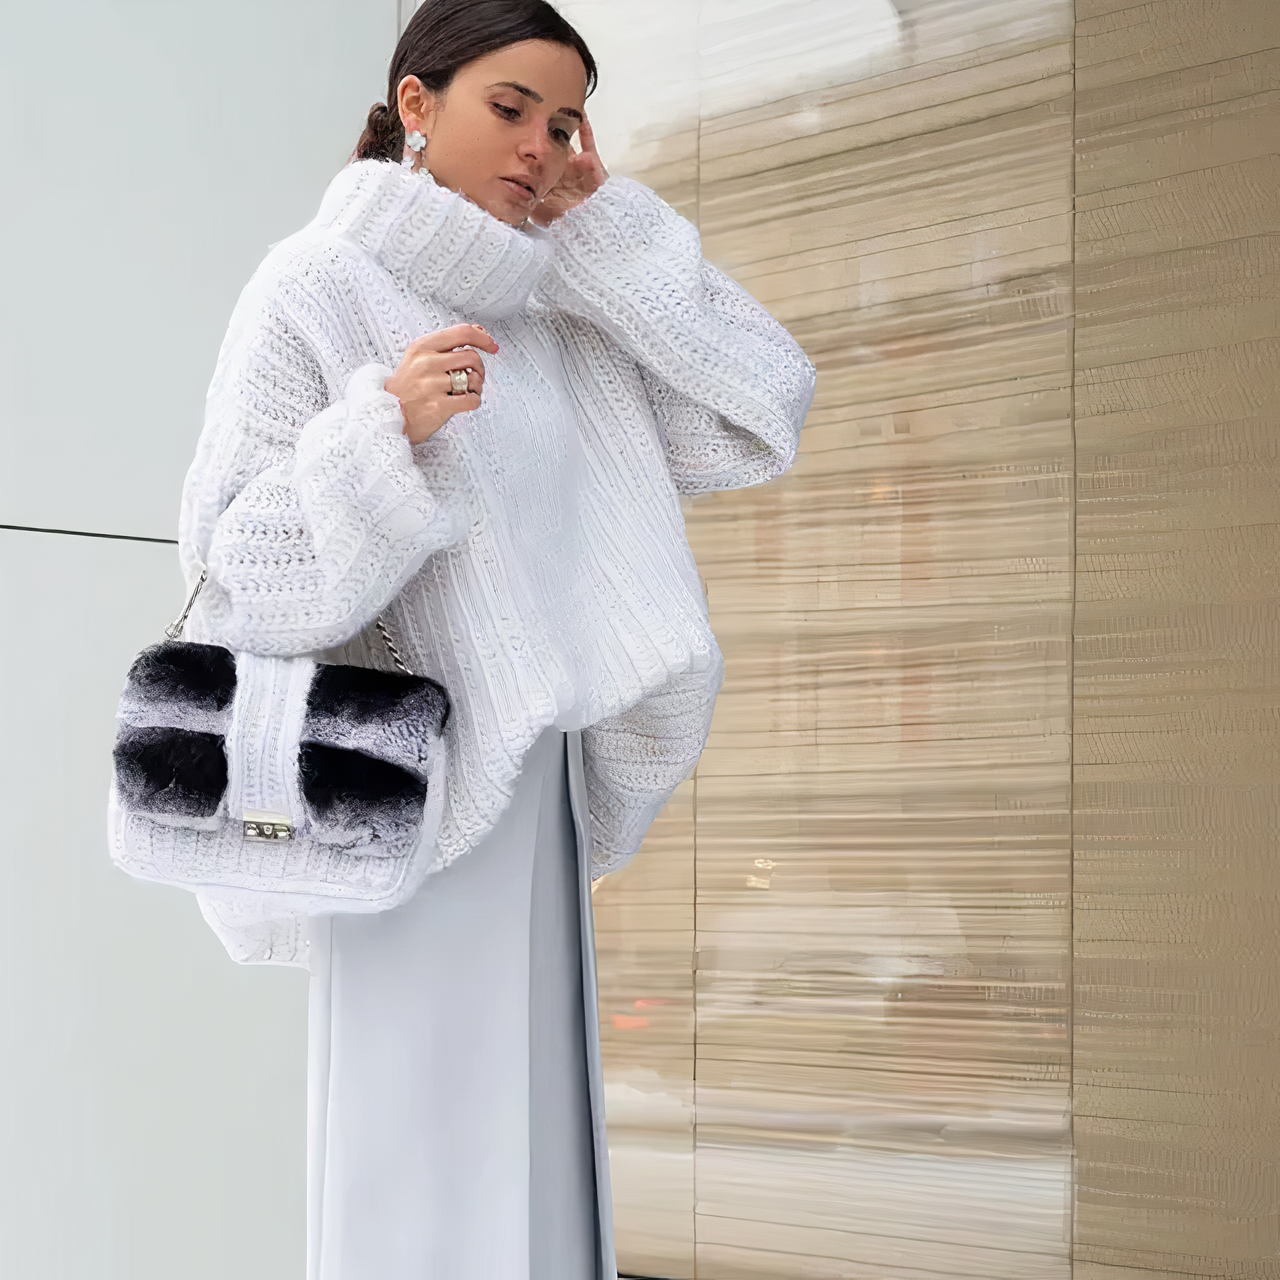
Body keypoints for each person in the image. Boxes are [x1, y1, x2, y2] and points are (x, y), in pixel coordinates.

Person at [177, 0, 815, 1275]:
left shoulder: (563, 304)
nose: (539, 145)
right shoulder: (313, 284)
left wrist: (608, 226)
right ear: (417, 103)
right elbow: (233, 566)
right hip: (394, 777)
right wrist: (383, 432)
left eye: (565, 123)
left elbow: (758, 407)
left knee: (533, 1141)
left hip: (538, 782)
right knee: (415, 1144)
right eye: (509, 107)